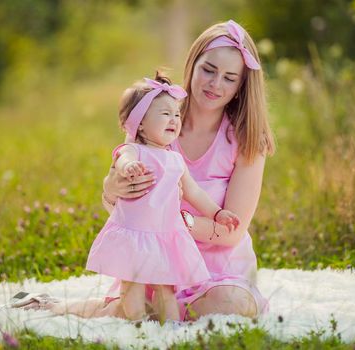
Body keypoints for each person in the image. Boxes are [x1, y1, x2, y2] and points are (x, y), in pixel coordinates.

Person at [12, 19, 274, 321]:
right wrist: (111, 189)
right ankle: (55, 306)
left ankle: (131, 312)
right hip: (157, 260)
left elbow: (231, 233)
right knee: (139, 306)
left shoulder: (247, 139)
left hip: (218, 272)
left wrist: (178, 221)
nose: (215, 84)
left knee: (232, 304)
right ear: (193, 64)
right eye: (208, 70)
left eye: (229, 78)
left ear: (241, 85)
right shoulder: (153, 120)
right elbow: (121, 206)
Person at [86, 73, 240, 322]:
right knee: (132, 281)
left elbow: (194, 192)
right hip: (135, 232)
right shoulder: (133, 150)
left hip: (165, 234)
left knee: (166, 287)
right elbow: (122, 160)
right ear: (141, 124)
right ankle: (138, 324)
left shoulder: (175, 159)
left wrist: (217, 213)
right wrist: (128, 168)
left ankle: (170, 329)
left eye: (177, 114)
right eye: (165, 114)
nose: (174, 119)